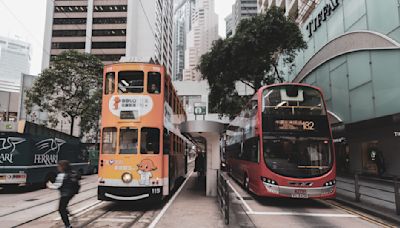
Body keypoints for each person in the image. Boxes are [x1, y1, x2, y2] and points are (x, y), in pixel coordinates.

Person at [47, 160, 80, 228]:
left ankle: (68, 225)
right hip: (72, 193)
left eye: (58, 166)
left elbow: (57, 186)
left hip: (65, 194)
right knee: (63, 206)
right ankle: (70, 215)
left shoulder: (61, 175)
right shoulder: (73, 172)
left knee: (61, 209)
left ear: (62, 167)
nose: (58, 168)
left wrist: (49, 185)